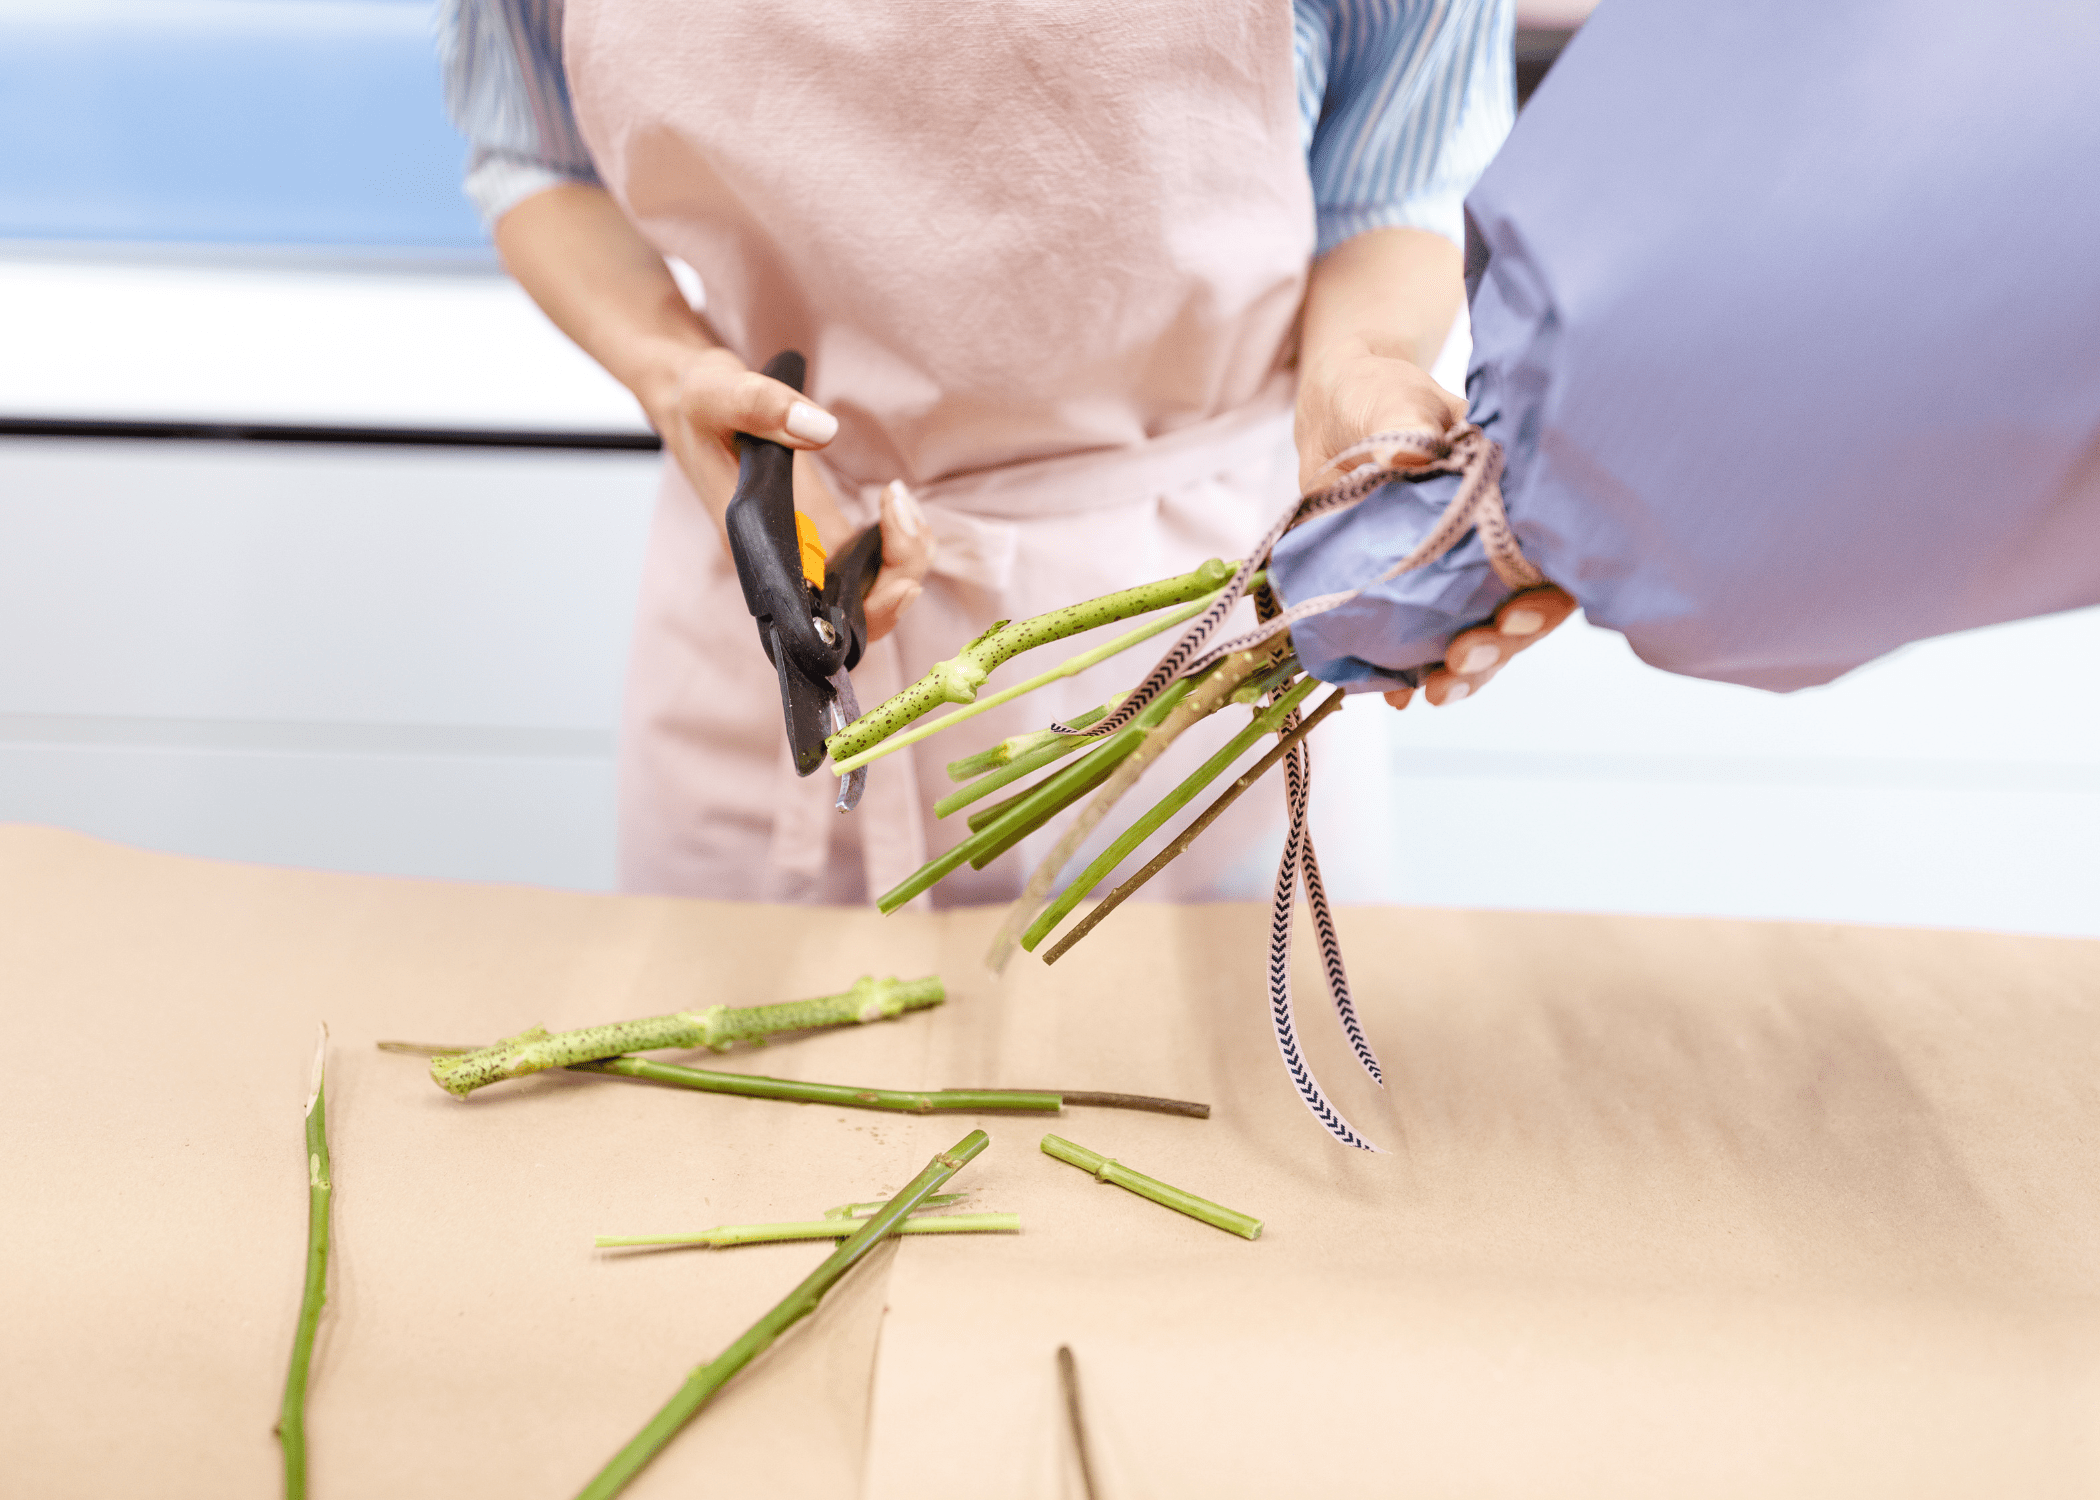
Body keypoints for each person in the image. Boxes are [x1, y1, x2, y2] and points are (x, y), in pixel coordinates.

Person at [439, 0, 1538, 905]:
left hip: (1196, 645)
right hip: (785, 605)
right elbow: (533, 154)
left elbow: (1393, 185)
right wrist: (674, 372)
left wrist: (1359, 366)